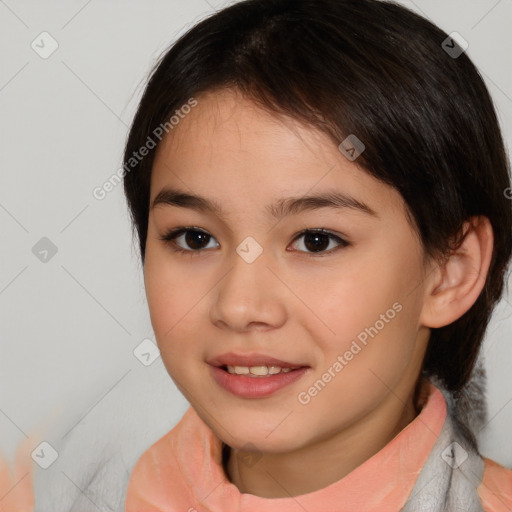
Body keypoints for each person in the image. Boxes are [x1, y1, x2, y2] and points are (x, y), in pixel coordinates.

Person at [2, 0, 511, 510]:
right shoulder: (48, 491)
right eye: (194, 238)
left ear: (451, 272)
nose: (239, 307)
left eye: (317, 240)